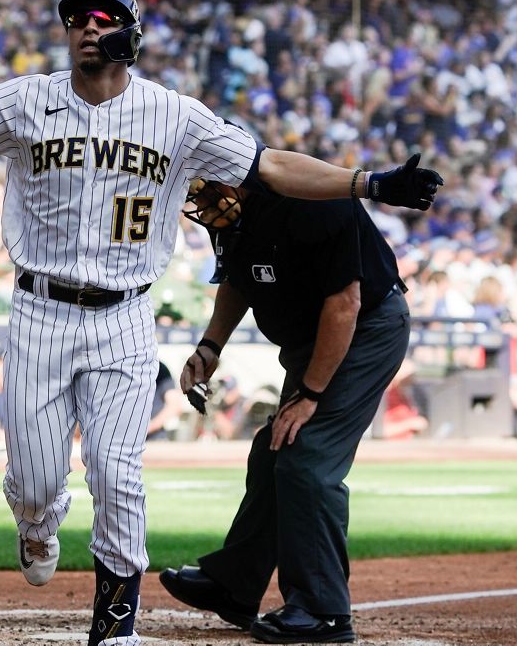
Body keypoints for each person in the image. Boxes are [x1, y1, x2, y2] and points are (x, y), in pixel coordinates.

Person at [0, 0, 441, 645]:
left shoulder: (175, 115)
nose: (87, 28)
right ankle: (38, 522)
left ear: (131, 35)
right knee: (36, 478)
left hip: (125, 315)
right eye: (76, 19)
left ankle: (117, 624)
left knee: (119, 470)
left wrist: (372, 182)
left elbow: (270, 165)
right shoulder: (25, 100)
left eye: (102, 18)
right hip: (40, 309)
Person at [159, 177, 413, 644]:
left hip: (364, 329)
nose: (202, 200)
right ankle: (235, 585)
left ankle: (324, 613)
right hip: (313, 339)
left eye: (209, 185)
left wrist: (311, 395)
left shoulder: (312, 200)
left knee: (307, 455)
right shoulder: (235, 212)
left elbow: (345, 303)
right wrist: (212, 345)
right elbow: (236, 278)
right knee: (272, 451)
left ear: (243, 171)